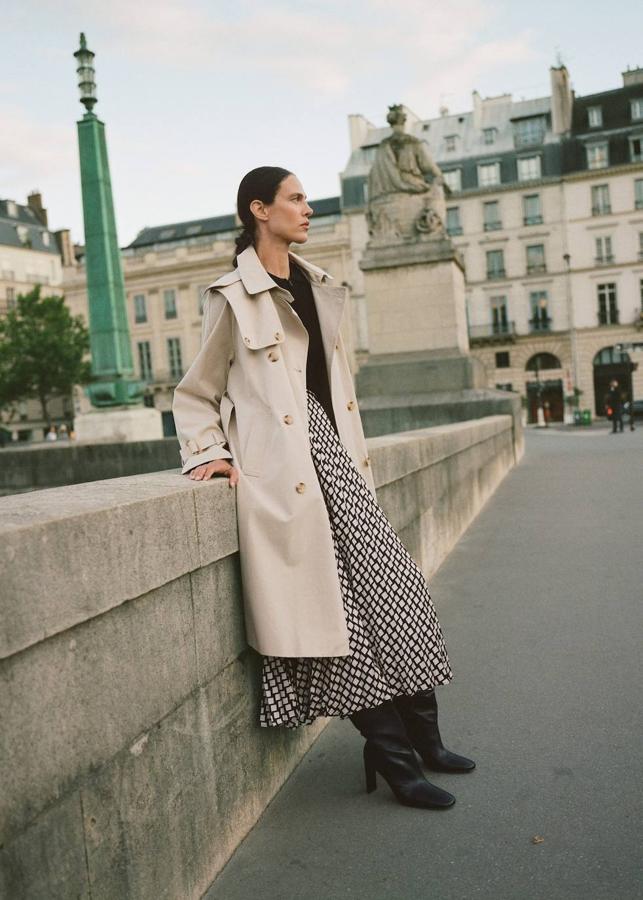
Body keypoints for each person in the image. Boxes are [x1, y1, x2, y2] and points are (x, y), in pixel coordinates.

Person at [172, 166, 475, 810]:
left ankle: (425, 738)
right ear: (260, 209)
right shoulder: (233, 295)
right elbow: (197, 392)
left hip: (340, 463)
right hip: (288, 479)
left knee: (402, 598)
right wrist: (210, 454)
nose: (308, 210)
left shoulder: (318, 286)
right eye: (296, 199)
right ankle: (394, 758)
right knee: (339, 626)